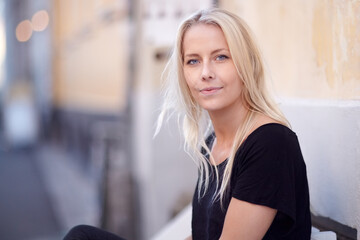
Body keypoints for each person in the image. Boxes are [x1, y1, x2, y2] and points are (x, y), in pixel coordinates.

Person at [155, 7, 311, 240]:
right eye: (193, 61)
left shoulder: (270, 143)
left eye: (221, 57)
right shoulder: (211, 144)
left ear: (246, 64)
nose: (205, 73)